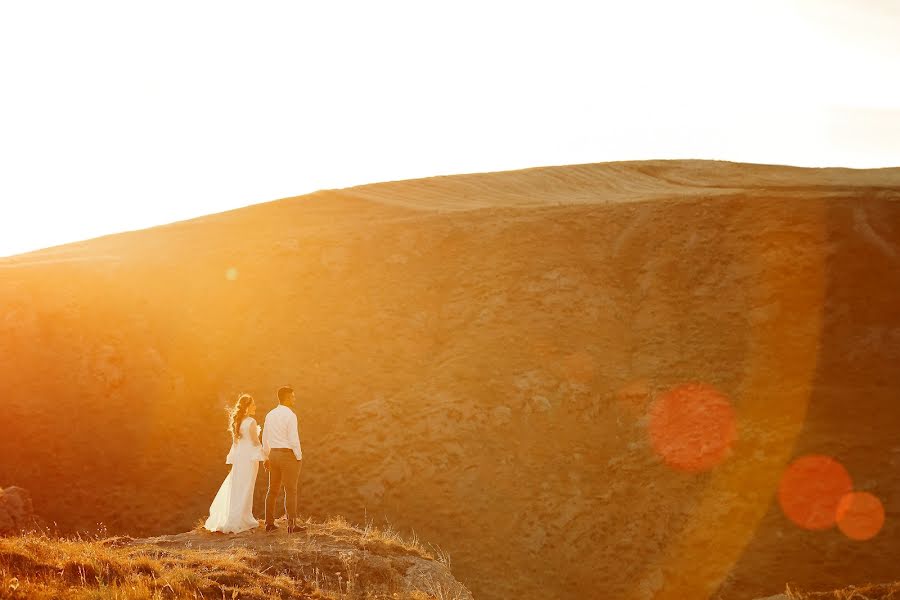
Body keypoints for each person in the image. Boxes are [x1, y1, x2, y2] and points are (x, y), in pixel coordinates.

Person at [204, 394, 266, 533]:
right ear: (248, 407)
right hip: (249, 458)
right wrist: (265, 455)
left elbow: (235, 443)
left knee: (238, 486)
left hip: (239, 458)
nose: (255, 407)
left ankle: (236, 516)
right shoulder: (251, 421)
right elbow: (256, 442)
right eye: (253, 404)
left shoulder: (237, 422)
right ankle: (244, 518)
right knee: (247, 486)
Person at [262, 385, 303, 532]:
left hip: (273, 455)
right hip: (287, 456)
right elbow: (293, 439)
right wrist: (298, 456)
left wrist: (265, 456)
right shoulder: (291, 415)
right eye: (292, 397)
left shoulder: (270, 414)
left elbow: (265, 437)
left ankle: (269, 523)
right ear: (286, 398)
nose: (294, 399)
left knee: (272, 490)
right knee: (290, 491)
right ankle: (292, 525)